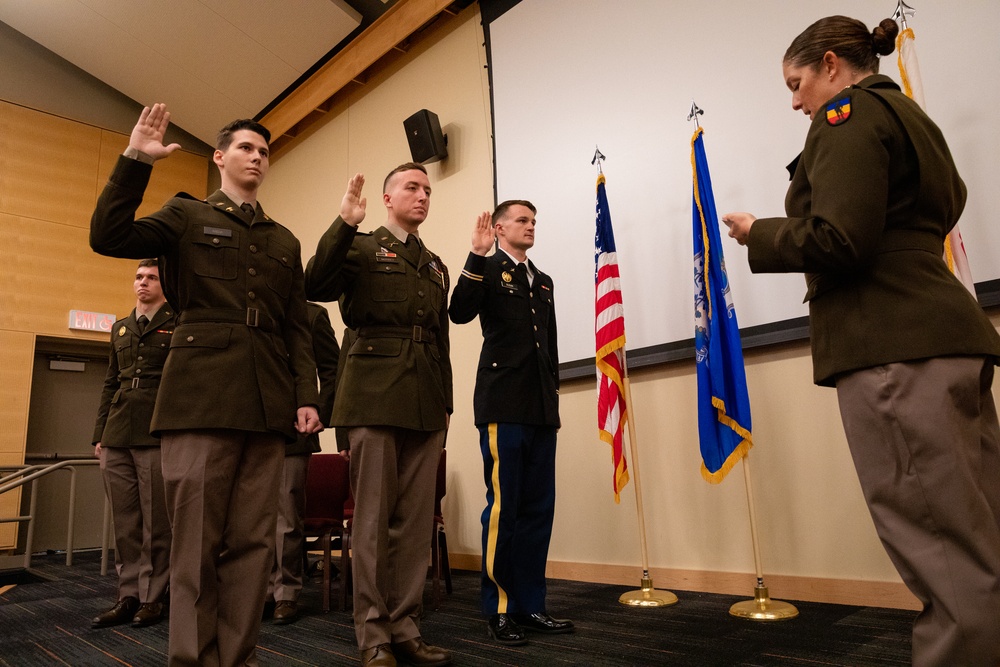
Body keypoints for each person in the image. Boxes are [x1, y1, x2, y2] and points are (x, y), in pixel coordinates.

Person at [721, 15, 1000, 666]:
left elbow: (841, 237)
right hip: (947, 334)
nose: (796, 102)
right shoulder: (910, 117)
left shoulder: (846, 116)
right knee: (978, 532)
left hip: (891, 343)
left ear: (829, 65)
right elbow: (948, 203)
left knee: (939, 542)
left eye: (797, 84)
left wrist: (757, 232)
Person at [90, 103, 321, 667]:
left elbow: (297, 325)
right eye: (246, 148)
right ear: (220, 158)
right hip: (198, 398)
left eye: (264, 152)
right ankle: (191, 659)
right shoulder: (185, 215)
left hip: (266, 404)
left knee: (252, 546)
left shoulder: (284, 240)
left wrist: (307, 395)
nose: (257, 158)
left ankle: (238, 657)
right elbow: (108, 234)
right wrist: (135, 161)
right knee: (194, 547)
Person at [304, 164, 453, 667]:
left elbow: (441, 341)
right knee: (370, 523)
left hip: (425, 399)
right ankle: (372, 634)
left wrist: (446, 405)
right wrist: (344, 223)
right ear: (387, 198)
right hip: (371, 395)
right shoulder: (362, 247)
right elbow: (315, 283)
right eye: (412, 187)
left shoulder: (434, 265)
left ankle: (405, 626)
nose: (422, 196)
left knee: (414, 526)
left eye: (427, 190)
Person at [448, 201, 572, 645]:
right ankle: (500, 608)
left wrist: (554, 396)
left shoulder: (542, 280)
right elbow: (459, 311)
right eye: (522, 220)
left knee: (539, 510)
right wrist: (476, 255)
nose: (531, 226)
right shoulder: (489, 267)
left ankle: (531, 605)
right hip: (504, 405)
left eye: (535, 221)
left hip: (540, 407)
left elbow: (550, 346)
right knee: (505, 510)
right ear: (499, 228)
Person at [91, 258, 174, 629]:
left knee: (156, 521)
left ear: (164, 283)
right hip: (117, 433)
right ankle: (128, 595)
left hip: (155, 430)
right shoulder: (120, 328)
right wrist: (99, 435)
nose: (143, 283)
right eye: (139, 277)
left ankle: (154, 597)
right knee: (125, 523)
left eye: (151, 278)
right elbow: (111, 382)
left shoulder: (177, 321)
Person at [265, 301, 340, 625]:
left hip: (295, 431)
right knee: (247, 520)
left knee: (285, 519)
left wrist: (319, 410)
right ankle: (258, 591)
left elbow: (332, 369)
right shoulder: (252, 308)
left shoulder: (312, 315)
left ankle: (285, 594)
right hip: (252, 427)